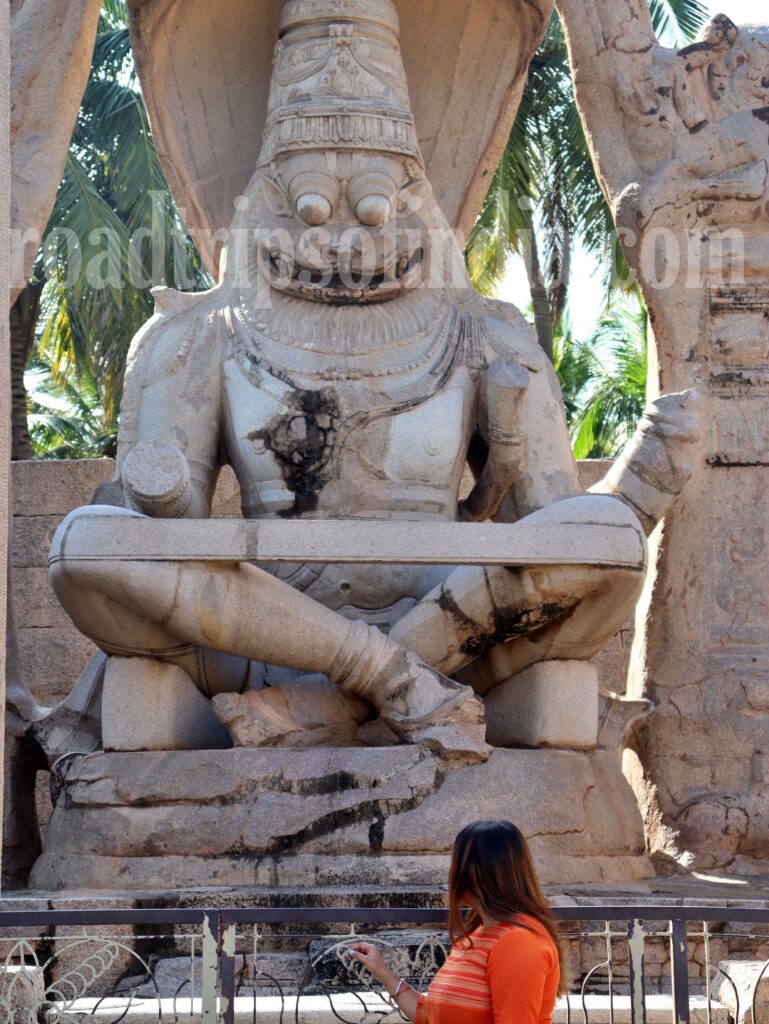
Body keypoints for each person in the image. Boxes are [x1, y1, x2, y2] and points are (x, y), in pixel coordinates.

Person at [349, 820, 565, 1023]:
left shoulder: (518, 942)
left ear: (475, 871)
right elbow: (430, 1015)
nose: (452, 874)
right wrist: (382, 971)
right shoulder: (479, 933)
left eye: (456, 863)